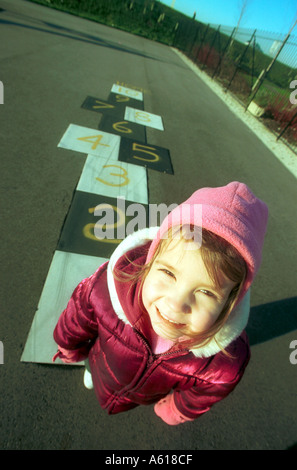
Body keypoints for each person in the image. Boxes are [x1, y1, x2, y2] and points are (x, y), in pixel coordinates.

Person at [53, 181, 268, 425]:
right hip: (99, 362)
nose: (176, 304)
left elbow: (209, 390)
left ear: (231, 301)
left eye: (206, 292)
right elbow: (78, 317)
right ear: (150, 261)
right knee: (96, 370)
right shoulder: (106, 289)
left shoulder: (224, 360)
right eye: (168, 273)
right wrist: (69, 346)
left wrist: (178, 410)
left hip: (140, 396)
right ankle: (90, 372)